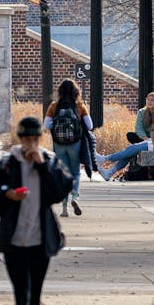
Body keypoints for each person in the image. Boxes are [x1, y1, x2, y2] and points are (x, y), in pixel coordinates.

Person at [0, 117, 69, 305]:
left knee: (35, 295)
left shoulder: (50, 160)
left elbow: (58, 192)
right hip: (14, 240)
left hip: (41, 239)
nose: (31, 144)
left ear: (40, 139)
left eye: (35, 139)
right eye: (26, 139)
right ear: (20, 139)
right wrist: (6, 195)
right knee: (22, 296)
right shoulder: (8, 163)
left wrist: (42, 166)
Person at [44, 79, 92, 218]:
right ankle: (75, 198)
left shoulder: (54, 106)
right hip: (75, 143)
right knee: (75, 172)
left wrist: (56, 124)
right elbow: (89, 125)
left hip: (59, 144)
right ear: (76, 92)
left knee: (63, 174)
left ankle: (64, 209)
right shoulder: (80, 106)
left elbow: (46, 126)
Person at [96, 93, 154, 181]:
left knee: (133, 148)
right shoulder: (142, 112)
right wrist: (145, 138)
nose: (149, 102)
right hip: (147, 140)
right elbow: (138, 128)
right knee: (131, 150)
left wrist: (151, 138)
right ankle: (109, 172)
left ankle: (105, 159)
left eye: (152, 100)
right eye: (148, 99)